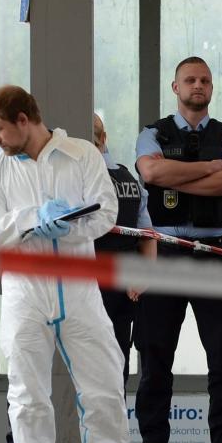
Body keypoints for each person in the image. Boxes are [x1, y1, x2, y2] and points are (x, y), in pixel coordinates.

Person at [0, 86, 144, 443]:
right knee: (27, 390)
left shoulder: (82, 154)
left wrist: (67, 227)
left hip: (79, 286)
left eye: (0, 129)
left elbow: (106, 213)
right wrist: (31, 220)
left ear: (23, 120)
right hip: (25, 289)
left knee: (106, 380)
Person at [133, 57, 222, 443]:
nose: (197, 86)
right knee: (155, 354)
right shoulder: (151, 134)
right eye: (190, 80)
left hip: (212, 255)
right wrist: (208, 169)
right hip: (163, 255)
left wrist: (179, 173)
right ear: (175, 87)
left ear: (212, 88)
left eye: (204, 80)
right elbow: (151, 173)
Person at [92, 113, 155, 386]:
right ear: (104, 138)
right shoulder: (130, 179)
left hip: (90, 287)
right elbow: (147, 236)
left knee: (90, 371)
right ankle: (115, 428)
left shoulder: (85, 180)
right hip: (124, 288)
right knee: (117, 365)